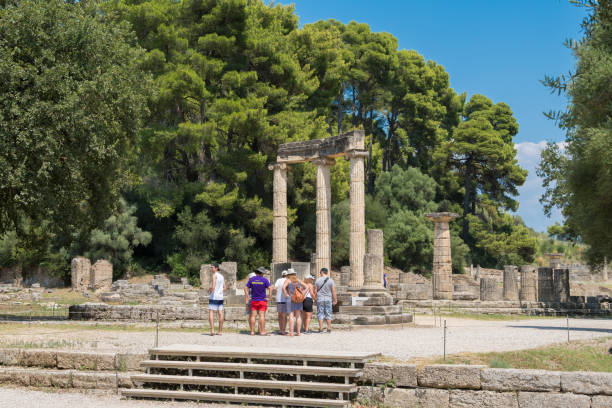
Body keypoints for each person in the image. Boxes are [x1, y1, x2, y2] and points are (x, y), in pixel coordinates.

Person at [244, 267, 271, 335]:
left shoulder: (252, 279)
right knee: (262, 316)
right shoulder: (265, 280)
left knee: (253, 316)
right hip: (262, 300)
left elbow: (245, 287)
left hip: (254, 300)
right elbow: (270, 288)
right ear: (262, 273)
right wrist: (269, 297)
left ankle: (252, 331)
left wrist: (247, 296)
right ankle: (262, 331)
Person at [282, 269, 307, 336]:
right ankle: (298, 332)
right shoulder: (298, 280)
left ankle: (291, 332)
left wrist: (286, 295)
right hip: (298, 299)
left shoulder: (288, 280)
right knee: (298, 316)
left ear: (288, 275)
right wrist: (302, 295)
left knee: (291, 316)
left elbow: (283, 288)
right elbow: (307, 287)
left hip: (290, 299)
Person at [313, 267, 337, 333]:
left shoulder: (317, 280)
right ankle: (329, 328)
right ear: (327, 272)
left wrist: (315, 300)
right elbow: (333, 291)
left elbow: (315, 291)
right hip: (328, 299)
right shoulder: (331, 280)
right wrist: (335, 300)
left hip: (320, 299)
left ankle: (321, 329)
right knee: (328, 313)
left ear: (322, 272)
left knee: (320, 313)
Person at [208, 263, 226, 336]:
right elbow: (225, 287)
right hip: (220, 297)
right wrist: (220, 291)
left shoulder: (214, 275)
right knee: (220, 312)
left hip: (214, 296)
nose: (211, 269)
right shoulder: (222, 276)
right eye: (211, 267)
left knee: (211, 311)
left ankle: (212, 330)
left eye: (212, 267)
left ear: (216, 268)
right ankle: (220, 331)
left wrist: (209, 290)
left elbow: (213, 286)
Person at [272, 270, 288, 335]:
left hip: (278, 299)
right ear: (287, 275)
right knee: (284, 315)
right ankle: (283, 330)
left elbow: (275, 288)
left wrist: (279, 292)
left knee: (280, 315)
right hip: (285, 299)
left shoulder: (278, 280)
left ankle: (280, 330)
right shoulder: (287, 280)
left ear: (282, 275)